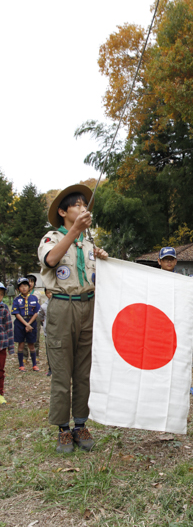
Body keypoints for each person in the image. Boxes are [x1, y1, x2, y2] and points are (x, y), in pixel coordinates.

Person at [38, 184, 108, 454]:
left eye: (84, 205)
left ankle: (80, 424)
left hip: (88, 307)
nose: (83, 208)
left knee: (83, 370)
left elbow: (97, 277)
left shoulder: (88, 243)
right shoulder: (52, 238)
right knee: (62, 371)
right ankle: (63, 429)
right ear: (63, 211)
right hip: (61, 308)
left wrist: (103, 258)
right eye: (77, 205)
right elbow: (52, 260)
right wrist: (76, 231)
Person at [158, 248, 193, 397]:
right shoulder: (154, 278)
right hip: (160, 323)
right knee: (161, 355)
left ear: (175, 261)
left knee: (181, 355)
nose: (168, 262)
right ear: (159, 261)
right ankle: (162, 385)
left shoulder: (183, 280)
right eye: (165, 259)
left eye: (171, 259)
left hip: (178, 323)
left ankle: (185, 385)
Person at [12, 277, 40, 372]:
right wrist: (26, 324)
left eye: (26, 286)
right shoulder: (17, 299)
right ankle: (21, 365)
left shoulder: (34, 298)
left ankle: (34, 365)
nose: (24, 288)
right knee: (21, 344)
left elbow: (36, 312)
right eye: (21, 286)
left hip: (31, 322)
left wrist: (29, 324)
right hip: (20, 324)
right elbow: (16, 313)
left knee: (31, 344)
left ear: (29, 287)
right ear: (18, 289)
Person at [23, 273, 46, 361]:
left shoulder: (37, 293)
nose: (30, 283)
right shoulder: (22, 292)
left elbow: (40, 306)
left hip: (35, 316)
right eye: (28, 281)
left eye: (32, 281)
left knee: (35, 337)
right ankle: (25, 356)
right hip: (25, 316)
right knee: (24, 336)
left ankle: (35, 355)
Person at [0, 282, 14, 404]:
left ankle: (0, 393)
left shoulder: (4, 308)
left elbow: (9, 327)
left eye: (1, 294)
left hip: (1, 345)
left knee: (0, 370)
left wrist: (10, 347)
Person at [38, 288, 52, 377]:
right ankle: (51, 368)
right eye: (48, 293)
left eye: (51, 292)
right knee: (49, 351)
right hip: (48, 332)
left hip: (59, 332)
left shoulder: (60, 305)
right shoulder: (44, 306)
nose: (50, 294)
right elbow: (40, 316)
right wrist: (44, 323)